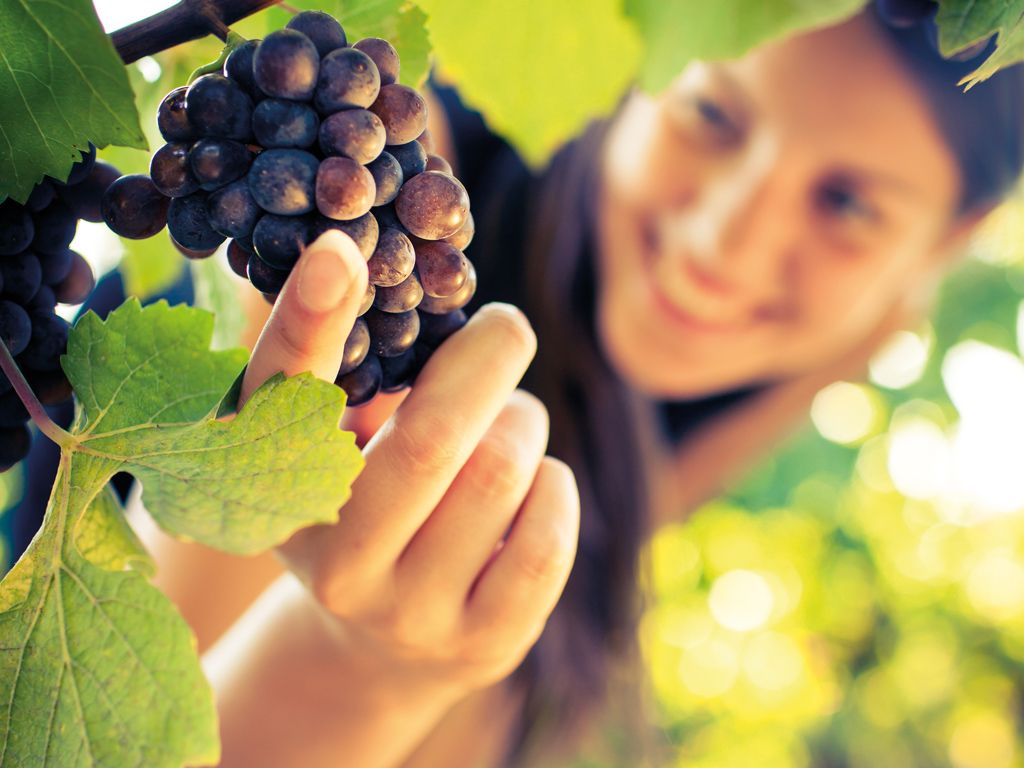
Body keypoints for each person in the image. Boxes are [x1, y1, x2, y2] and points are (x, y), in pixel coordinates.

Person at [125, 7, 1024, 768]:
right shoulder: (370, 190)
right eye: (712, 116)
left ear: (942, 249)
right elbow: (129, 736)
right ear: (633, 63)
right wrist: (349, 668)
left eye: (848, 205)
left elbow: (587, 557)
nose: (725, 242)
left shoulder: (815, 345)